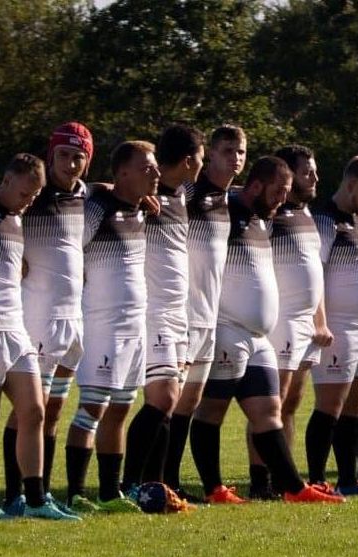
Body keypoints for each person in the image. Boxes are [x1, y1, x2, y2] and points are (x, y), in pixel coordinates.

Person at [187, 156, 344, 504]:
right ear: (255, 186)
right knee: (212, 410)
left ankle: (293, 488)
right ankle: (214, 489)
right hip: (227, 328)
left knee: (269, 411)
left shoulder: (264, 219)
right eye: (277, 191)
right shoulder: (223, 210)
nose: (281, 199)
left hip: (257, 337)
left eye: (286, 193)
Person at [0, 154, 81, 521]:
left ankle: (35, 499)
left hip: (16, 326)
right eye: (25, 193)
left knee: (34, 410)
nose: (29, 200)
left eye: (34, 195)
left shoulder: (18, 216)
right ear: (6, 181)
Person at [67, 140, 163, 512]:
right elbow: (72, 250)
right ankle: (75, 492)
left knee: (122, 408)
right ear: (121, 173)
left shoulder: (141, 209)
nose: (154, 174)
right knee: (92, 408)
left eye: (154, 167)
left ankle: (109, 493)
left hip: (134, 324)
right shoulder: (98, 207)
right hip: (101, 323)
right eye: (146, 168)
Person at [117, 125, 203, 503]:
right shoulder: (140, 197)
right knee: (163, 398)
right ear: (188, 160)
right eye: (201, 157)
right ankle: (129, 483)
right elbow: (104, 191)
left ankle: (153, 485)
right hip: (153, 312)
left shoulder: (182, 194)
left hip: (177, 312)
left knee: (170, 401)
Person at [13, 122, 91, 510]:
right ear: (50, 155)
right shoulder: (33, 197)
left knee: (54, 409)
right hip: (40, 316)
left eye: (79, 156)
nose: (71, 163)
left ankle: (41, 491)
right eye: (64, 155)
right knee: (31, 409)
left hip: (74, 319)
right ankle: (18, 495)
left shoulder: (87, 197)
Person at [168, 124, 246, 500]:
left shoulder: (233, 200)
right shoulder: (188, 191)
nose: (235, 158)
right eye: (228, 150)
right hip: (180, 314)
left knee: (189, 404)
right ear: (210, 154)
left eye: (241, 152)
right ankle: (158, 479)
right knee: (168, 400)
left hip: (208, 315)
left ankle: (172, 482)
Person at [308, 156, 358, 495]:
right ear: (351, 184)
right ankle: (315, 479)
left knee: (356, 408)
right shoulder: (325, 221)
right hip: (338, 328)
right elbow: (314, 277)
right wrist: (321, 322)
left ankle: (348, 479)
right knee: (330, 406)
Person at [265, 145, 326, 500]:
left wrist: (321, 320)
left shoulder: (306, 214)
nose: (314, 178)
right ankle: (266, 479)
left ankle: (285, 478)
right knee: (272, 403)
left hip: (307, 325)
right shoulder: (271, 214)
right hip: (281, 320)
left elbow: (315, 272)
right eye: (307, 172)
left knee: (291, 404)